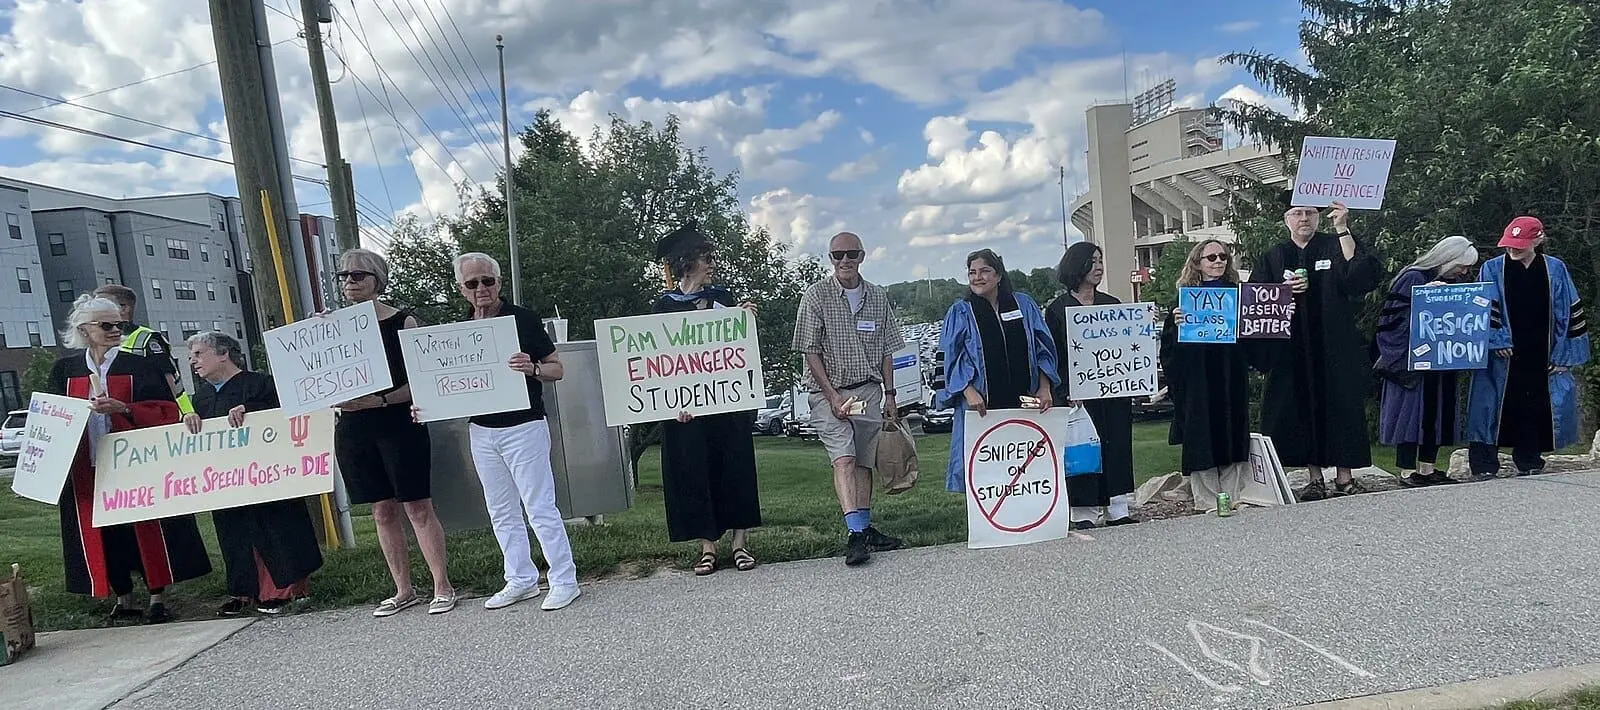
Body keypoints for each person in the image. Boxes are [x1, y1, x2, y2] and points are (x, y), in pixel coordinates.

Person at [414, 252, 581, 611]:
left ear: (499, 283)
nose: (481, 289)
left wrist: (533, 368)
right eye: (472, 283)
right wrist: (427, 404)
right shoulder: (459, 332)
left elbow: (558, 369)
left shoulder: (522, 319)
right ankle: (520, 578)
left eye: (487, 281)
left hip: (524, 426)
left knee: (539, 507)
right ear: (461, 289)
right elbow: (445, 384)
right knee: (500, 509)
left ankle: (564, 579)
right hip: (482, 430)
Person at [48, 294, 211, 623]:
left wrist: (124, 409)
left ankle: (157, 598)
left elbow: (167, 412)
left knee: (147, 530)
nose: (115, 330)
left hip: (136, 467)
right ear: (85, 329)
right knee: (107, 535)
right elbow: (52, 420)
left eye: (119, 324)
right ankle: (123, 597)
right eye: (106, 325)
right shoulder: (64, 372)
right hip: (88, 469)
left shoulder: (140, 366)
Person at [331, 248, 455, 616]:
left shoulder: (403, 322)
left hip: (398, 422)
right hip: (353, 427)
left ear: (377, 281)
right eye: (344, 276)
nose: (350, 283)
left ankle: (441, 585)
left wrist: (380, 401)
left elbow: (421, 381)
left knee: (417, 506)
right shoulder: (331, 328)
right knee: (381, 511)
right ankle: (403, 589)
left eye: (359, 276)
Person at [1247, 195, 1384, 499]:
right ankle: (1314, 478)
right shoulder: (1274, 256)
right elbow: (1256, 299)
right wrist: (1282, 292)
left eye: (1310, 213)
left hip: (1334, 344)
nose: (1304, 219)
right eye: (1297, 213)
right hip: (1293, 349)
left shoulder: (1334, 244)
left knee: (1341, 406)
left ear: (1319, 217)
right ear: (1287, 220)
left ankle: (1345, 476)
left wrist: (1343, 228)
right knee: (1300, 408)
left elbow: (1360, 277)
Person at [651, 223, 764, 576]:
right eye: (706, 258)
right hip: (687, 411)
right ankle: (707, 547)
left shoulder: (724, 299)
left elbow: (736, 352)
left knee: (735, 469)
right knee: (695, 472)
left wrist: (746, 321)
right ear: (687, 262)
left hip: (727, 406)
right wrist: (674, 402)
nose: (712, 264)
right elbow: (660, 364)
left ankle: (740, 544)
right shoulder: (663, 308)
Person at [183, 331, 322, 616]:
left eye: (198, 354)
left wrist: (253, 410)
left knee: (274, 526)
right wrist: (188, 420)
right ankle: (243, 590)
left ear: (224, 353)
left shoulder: (261, 384)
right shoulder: (202, 399)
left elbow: (291, 412)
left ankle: (286, 589)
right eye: (191, 357)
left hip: (268, 476)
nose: (192, 362)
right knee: (233, 533)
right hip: (225, 479)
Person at [792, 231, 906, 566]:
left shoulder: (877, 296)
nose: (845, 261)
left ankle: (865, 527)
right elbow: (810, 350)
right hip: (828, 390)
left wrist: (890, 394)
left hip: (868, 389)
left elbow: (887, 349)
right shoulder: (816, 296)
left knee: (863, 461)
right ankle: (854, 534)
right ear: (830, 258)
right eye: (837, 255)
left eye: (851, 254)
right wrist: (831, 397)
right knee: (842, 457)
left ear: (862, 256)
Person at [1465, 217, 1590, 479]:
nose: (1512, 250)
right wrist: (1497, 339)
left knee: (1535, 404)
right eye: (1509, 245)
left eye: (1519, 245)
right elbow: (1484, 307)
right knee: (1489, 406)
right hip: (1501, 356)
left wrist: (1564, 355)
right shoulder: (1492, 268)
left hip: (1540, 351)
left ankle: (1529, 458)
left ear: (1538, 240)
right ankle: (1484, 464)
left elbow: (1570, 312)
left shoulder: (1555, 269)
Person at [938, 249, 1058, 492]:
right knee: (983, 466)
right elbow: (950, 356)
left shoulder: (1023, 304)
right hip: (980, 406)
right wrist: (967, 390)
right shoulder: (961, 311)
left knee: (1023, 466)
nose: (977, 277)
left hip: (1025, 403)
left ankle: (1025, 518)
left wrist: (1045, 387)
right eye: (972, 272)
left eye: (984, 271)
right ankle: (988, 524)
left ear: (999, 275)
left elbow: (1043, 347)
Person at [1044, 243, 1140, 528]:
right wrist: (1064, 391)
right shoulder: (1058, 310)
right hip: (1078, 397)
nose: (1098, 267)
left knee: (1117, 445)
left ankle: (1118, 508)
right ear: (1077, 265)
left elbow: (1127, 348)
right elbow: (1054, 354)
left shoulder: (1112, 305)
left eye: (1100, 261)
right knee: (1082, 449)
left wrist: (1145, 325)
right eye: (1092, 261)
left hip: (1113, 392)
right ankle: (1084, 512)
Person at [1374, 236, 1480, 487]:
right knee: (1412, 417)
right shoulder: (1413, 277)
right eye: (1462, 265)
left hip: (1442, 359)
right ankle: (1407, 471)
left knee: (1437, 415)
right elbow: (1391, 319)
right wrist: (1423, 300)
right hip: (1412, 362)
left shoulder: (1453, 281)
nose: (1464, 271)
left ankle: (1428, 468)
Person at [1159, 240, 1253, 508]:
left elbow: (1255, 337)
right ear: (1197, 263)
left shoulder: (1239, 296)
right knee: (1201, 436)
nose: (1218, 261)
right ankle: (1207, 501)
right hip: (1198, 381)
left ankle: (1234, 496)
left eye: (1223, 256)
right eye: (1211, 257)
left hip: (1230, 377)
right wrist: (1176, 327)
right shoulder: (1184, 301)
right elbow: (1170, 353)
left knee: (1233, 432)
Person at [92, 284, 194, 418]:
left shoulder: (147, 338)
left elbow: (170, 380)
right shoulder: (97, 341)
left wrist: (186, 413)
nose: (95, 310)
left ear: (124, 308)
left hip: (143, 417)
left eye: (102, 305)